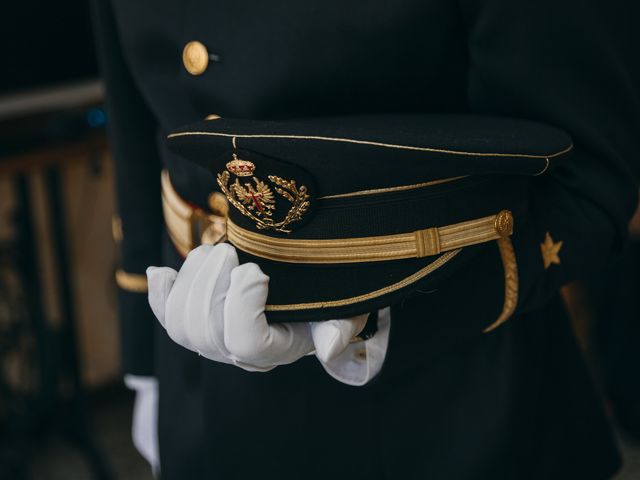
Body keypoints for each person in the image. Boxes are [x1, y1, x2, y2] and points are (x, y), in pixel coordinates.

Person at [91, 0, 639, 478]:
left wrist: (373, 314)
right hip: (192, 363)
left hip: (446, 407)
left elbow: (586, 176)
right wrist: (146, 359)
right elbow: (137, 119)